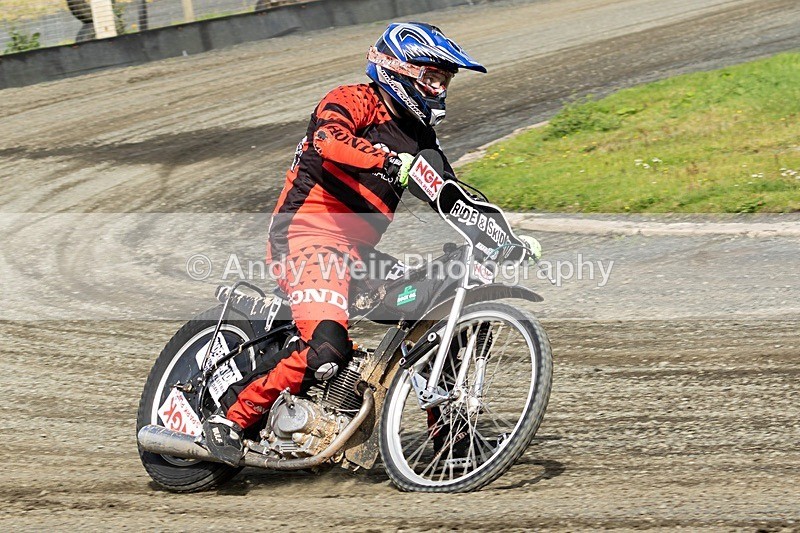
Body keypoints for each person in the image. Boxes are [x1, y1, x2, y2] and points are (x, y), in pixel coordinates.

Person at [203, 21, 488, 466]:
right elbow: (329, 140)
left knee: (439, 303)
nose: (439, 90)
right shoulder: (354, 98)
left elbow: (451, 198)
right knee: (328, 348)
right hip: (306, 235)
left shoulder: (423, 141)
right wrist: (386, 161)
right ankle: (230, 421)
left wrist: (500, 233)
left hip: (357, 256)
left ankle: (451, 438)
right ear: (398, 69)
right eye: (432, 77)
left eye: (444, 81)